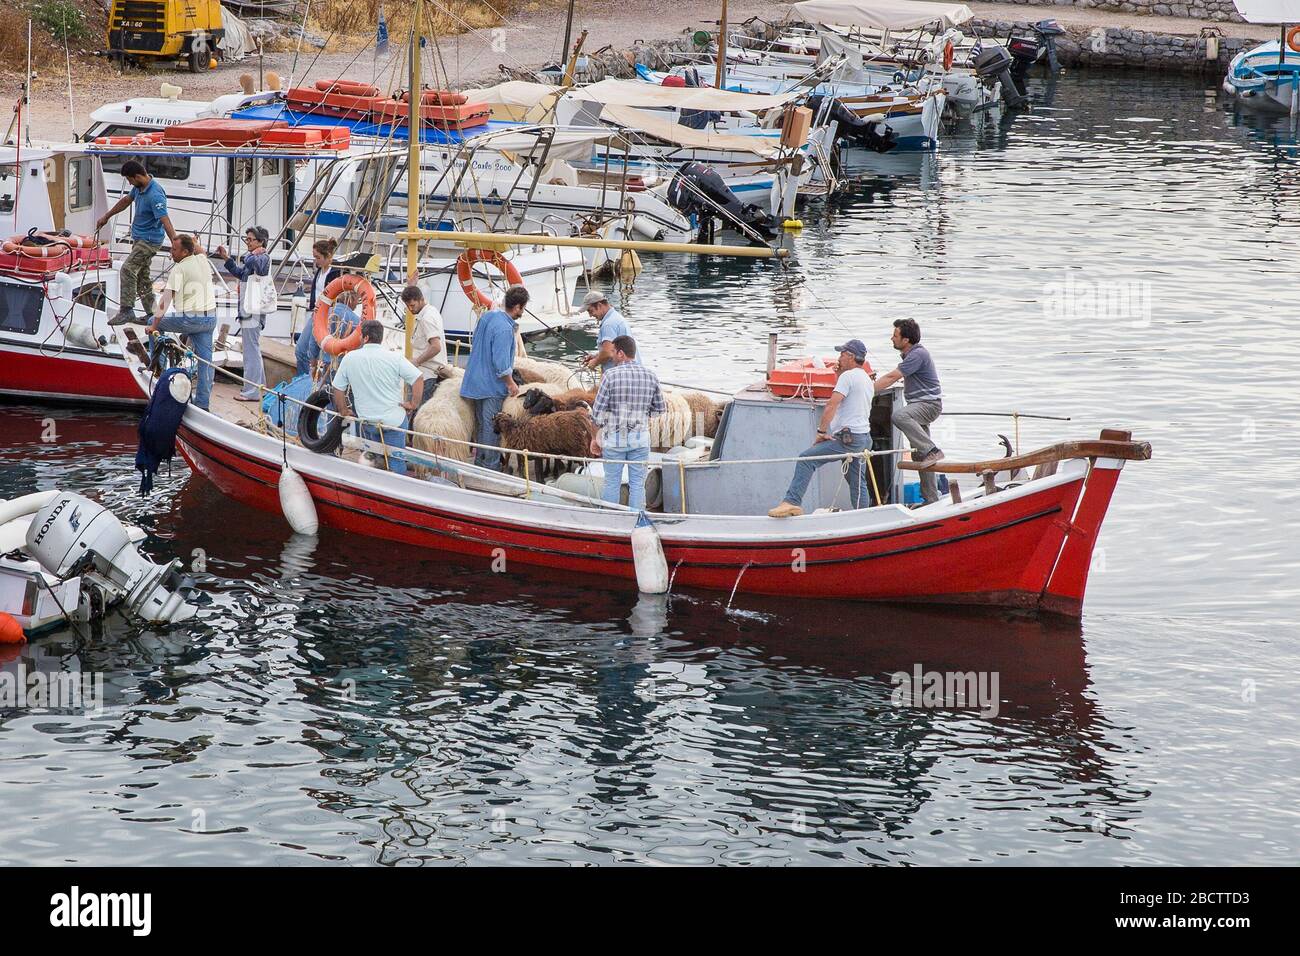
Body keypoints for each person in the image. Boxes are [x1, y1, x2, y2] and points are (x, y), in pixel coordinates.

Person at [769, 340, 876, 518]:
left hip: (848, 438)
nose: (839, 357)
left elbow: (831, 405)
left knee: (806, 459)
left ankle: (792, 502)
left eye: (842, 354)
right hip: (863, 437)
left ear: (850, 356)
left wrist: (821, 432)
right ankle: (863, 516)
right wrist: (840, 373)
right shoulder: (865, 378)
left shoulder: (848, 377)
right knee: (857, 481)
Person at [331, 320, 423, 477]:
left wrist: (344, 410)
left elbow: (338, 388)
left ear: (365, 338)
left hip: (367, 421)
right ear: (381, 337)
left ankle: (371, 484)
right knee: (396, 461)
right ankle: (397, 489)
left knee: (371, 458)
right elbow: (418, 379)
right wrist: (413, 404)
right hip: (393, 422)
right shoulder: (395, 358)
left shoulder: (350, 358)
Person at [873, 318, 944, 504]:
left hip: (929, 405)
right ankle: (931, 499)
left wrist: (867, 390)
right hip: (921, 404)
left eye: (895, 335)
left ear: (906, 340)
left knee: (899, 415)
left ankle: (933, 450)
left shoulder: (917, 354)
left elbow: (891, 377)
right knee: (920, 456)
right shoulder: (910, 355)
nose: (891, 338)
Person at [100, 159, 178, 326]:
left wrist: (175, 244)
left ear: (137, 176)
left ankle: (127, 310)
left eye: (129, 180)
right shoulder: (139, 187)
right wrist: (107, 216)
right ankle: (152, 313)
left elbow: (165, 220)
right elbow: (126, 201)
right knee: (142, 276)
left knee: (128, 269)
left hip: (150, 240)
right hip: (140, 239)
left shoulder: (155, 194)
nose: (129, 183)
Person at [143, 234, 217, 411]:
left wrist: (153, 326)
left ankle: (159, 371)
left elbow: (165, 301)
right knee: (205, 362)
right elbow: (201, 250)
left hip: (190, 319)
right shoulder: (202, 260)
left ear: (185, 252)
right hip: (210, 319)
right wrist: (195, 243)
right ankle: (202, 404)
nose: (171, 252)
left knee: (154, 320)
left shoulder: (179, 269)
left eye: (174, 250)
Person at [590, 336, 665, 510]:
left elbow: (597, 414)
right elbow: (660, 410)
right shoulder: (650, 375)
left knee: (611, 483)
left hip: (614, 438)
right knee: (638, 484)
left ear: (621, 353)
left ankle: (611, 522)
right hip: (640, 438)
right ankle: (636, 520)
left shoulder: (609, 376)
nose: (612, 356)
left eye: (613, 352)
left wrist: (595, 438)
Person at [459, 285, 528, 471]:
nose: (522, 312)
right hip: (491, 386)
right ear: (518, 307)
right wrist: (512, 384)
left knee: (481, 426)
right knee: (492, 427)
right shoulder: (505, 329)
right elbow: (501, 365)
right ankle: (490, 468)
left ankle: (480, 464)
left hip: (474, 381)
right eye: (523, 308)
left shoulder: (488, 316)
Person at [215, 227, 272, 402]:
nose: (247, 242)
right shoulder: (255, 257)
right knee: (252, 349)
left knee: (250, 351)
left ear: (260, 241)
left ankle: (251, 392)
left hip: (253, 311)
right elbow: (241, 273)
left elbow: (255, 265)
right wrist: (227, 259)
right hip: (249, 310)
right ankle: (259, 387)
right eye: (246, 239)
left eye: (250, 239)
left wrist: (251, 254)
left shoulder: (262, 257)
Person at [295, 238, 340, 377]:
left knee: (314, 351)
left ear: (328, 256)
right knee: (301, 350)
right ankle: (304, 380)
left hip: (327, 315)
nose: (316, 261)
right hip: (316, 313)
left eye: (318, 257)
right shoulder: (320, 272)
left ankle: (311, 381)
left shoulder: (336, 272)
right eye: (315, 257)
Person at [401, 285, 447, 409]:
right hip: (428, 375)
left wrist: (417, 361)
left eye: (413, 305)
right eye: (408, 306)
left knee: (418, 413)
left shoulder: (427, 318)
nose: (410, 309)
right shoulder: (431, 311)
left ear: (421, 300)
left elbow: (436, 347)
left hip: (427, 376)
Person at [580, 290, 636, 373]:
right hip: (630, 370)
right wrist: (596, 357)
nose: (590, 315)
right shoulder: (616, 317)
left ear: (599, 305)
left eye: (590, 311)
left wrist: (595, 362)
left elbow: (608, 352)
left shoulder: (608, 324)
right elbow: (613, 350)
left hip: (619, 375)